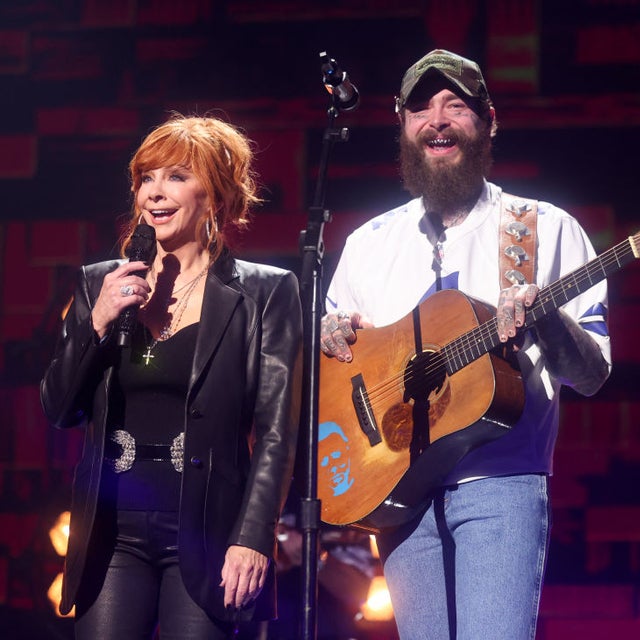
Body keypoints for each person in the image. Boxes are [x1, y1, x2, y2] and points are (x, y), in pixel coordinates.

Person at [319, 49, 611, 639]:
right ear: (401, 125)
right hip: (399, 490)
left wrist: (547, 316)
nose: (438, 119)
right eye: (421, 107)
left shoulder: (544, 229)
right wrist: (329, 340)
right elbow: (339, 377)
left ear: (489, 121)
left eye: (455, 104)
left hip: (501, 481)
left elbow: (593, 374)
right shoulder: (369, 243)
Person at [40, 114, 303, 639]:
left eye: (177, 176)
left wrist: (255, 536)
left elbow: (277, 432)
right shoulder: (101, 283)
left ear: (217, 195)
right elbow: (59, 407)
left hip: (210, 531)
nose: (155, 193)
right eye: (146, 178)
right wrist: (97, 321)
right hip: (111, 534)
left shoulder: (266, 293)